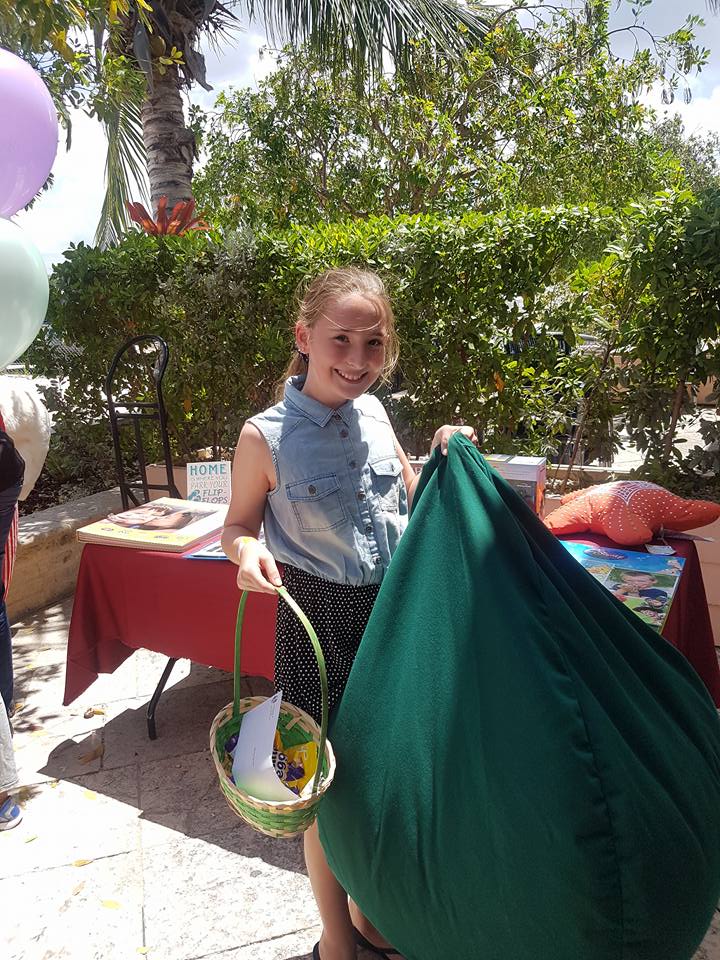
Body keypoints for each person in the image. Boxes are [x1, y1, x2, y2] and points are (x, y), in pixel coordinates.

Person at [221, 267, 475, 960]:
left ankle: (369, 918)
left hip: (392, 620)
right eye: (341, 340)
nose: (359, 359)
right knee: (323, 794)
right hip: (317, 627)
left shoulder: (377, 416)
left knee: (384, 778)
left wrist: (444, 451)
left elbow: (413, 498)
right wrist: (246, 552)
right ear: (304, 337)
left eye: (374, 343)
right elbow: (237, 524)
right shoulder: (264, 437)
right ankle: (337, 942)